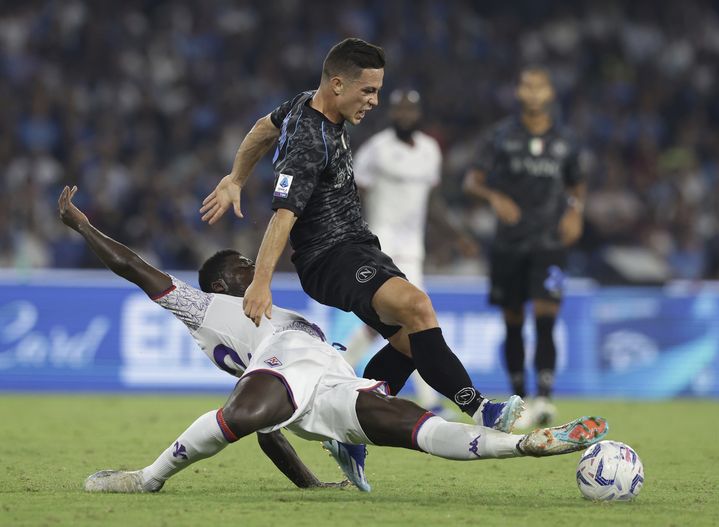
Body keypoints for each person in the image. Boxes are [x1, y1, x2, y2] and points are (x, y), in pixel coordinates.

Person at [58, 186, 609, 494]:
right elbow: (134, 267)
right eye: (245, 264)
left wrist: (312, 486)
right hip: (282, 368)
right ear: (223, 283)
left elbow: (272, 436)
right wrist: (83, 226)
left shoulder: (281, 313)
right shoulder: (206, 307)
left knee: (418, 421)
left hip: (332, 381)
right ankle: (147, 479)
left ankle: (525, 444)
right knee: (249, 410)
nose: (256, 266)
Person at [199, 38, 523, 431]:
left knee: (409, 340)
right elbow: (283, 216)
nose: (374, 101)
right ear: (337, 84)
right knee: (417, 306)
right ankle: (482, 410)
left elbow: (262, 129)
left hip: (356, 247)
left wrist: (235, 178)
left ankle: (351, 427)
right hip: (331, 257)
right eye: (368, 90)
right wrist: (261, 283)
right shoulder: (309, 141)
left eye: (377, 91)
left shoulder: (303, 103)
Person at [464, 67, 588, 426]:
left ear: (550, 93)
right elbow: (472, 180)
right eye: (527, 87)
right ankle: (519, 396)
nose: (533, 93)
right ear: (519, 92)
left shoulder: (566, 140)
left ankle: (545, 397)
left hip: (551, 242)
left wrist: (575, 212)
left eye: (539, 87)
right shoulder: (501, 136)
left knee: (547, 317)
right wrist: (494, 196)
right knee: (513, 322)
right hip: (510, 244)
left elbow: (577, 183)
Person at [343, 89, 477, 413]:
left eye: (410, 110)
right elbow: (352, 194)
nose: (405, 115)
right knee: (412, 323)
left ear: (419, 114)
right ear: (391, 113)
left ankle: (336, 369)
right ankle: (430, 400)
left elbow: (431, 203)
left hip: (412, 250)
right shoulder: (376, 149)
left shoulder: (430, 151)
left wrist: (456, 236)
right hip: (380, 246)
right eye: (399, 109)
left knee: (392, 326)